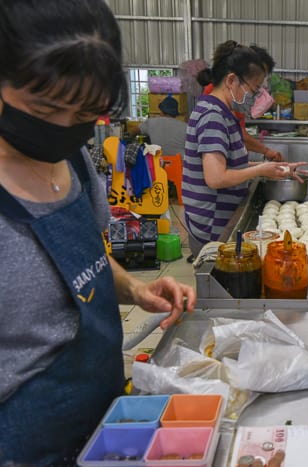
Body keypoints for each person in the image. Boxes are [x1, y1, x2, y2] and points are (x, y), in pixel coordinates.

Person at [0, 0, 196, 464]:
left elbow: (85, 257)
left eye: (86, 112)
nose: (65, 129)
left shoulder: (75, 161)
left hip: (102, 418)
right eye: (46, 108)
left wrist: (134, 287)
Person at [183, 41, 306, 256]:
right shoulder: (213, 115)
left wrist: (271, 166)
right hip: (212, 228)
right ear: (231, 80)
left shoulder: (224, 113)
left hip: (219, 220)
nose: (256, 96)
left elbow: (229, 163)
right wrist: (260, 170)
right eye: (254, 89)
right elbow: (215, 177)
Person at [197, 42, 282, 161]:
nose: (255, 93)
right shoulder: (213, 113)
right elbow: (216, 178)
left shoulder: (233, 102)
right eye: (255, 85)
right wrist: (266, 154)